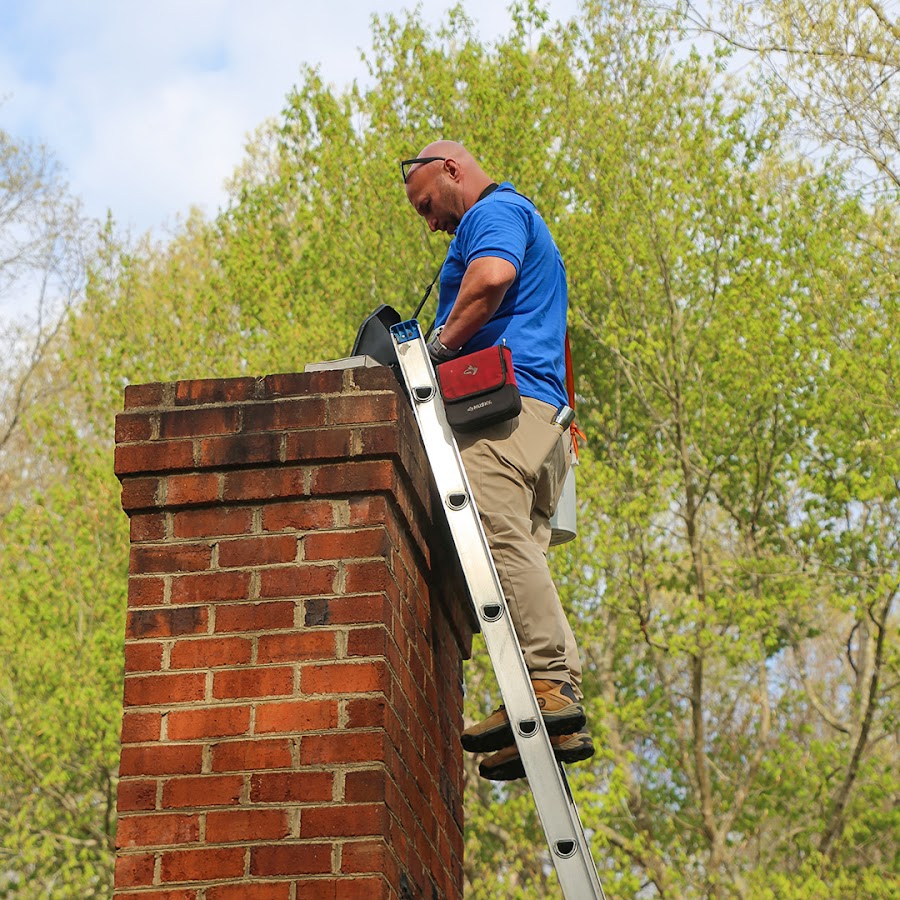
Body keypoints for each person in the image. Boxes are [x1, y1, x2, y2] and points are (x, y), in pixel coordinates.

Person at [401, 141, 594, 780]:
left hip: (506, 413)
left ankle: (548, 685)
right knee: (514, 558)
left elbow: (489, 279)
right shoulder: (514, 217)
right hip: (540, 420)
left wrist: (435, 349)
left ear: (451, 169)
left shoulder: (496, 211)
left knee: (496, 538)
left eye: (427, 205)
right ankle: (545, 711)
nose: (431, 223)